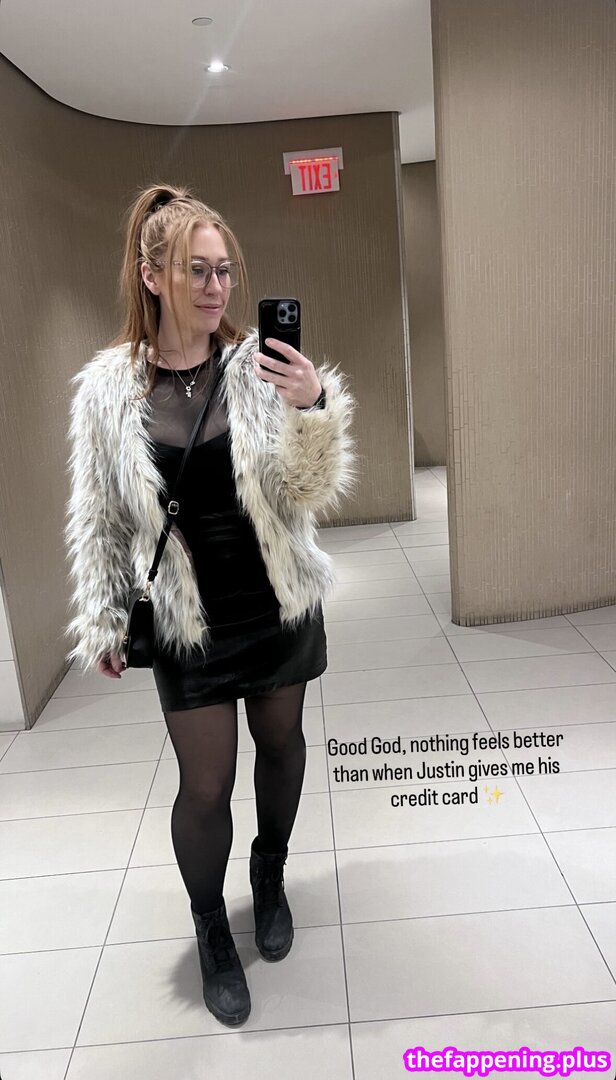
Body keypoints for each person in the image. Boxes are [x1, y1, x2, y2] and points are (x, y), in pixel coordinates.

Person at [63, 182, 356, 1028]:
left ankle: (270, 871)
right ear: (152, 275)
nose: (217, 286)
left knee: (282, 744)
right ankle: (211, 929)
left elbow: (309, 492)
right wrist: (104, 614)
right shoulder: (107, 392)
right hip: (189, 622)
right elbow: (101, 515)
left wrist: (313, 408)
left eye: (224, 270)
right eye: (197, 270)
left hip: (277, 604)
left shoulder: (261, 368)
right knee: (204, 785)